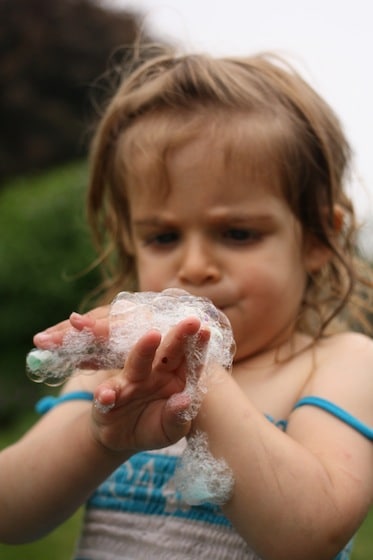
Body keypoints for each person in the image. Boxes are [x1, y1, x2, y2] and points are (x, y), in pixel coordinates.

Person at [2, 48, 373, 560]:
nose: (195, 265)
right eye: (162, 236)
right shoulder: (112, 372)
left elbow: (308, 537)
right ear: (129, 240)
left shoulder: (340, 362)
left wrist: (202, 379)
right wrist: (102, 442)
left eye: (238, 233)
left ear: (314, 238)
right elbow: (12, 513)